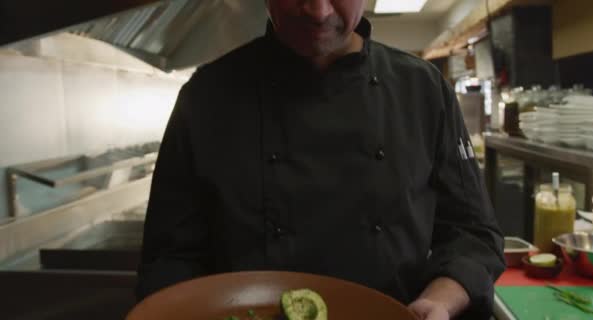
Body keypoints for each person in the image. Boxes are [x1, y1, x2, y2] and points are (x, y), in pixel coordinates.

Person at [135, 0, 506, 319]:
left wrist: (436, 301)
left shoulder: (424, 90)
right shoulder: (205, 98)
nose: (317, 11)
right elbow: (169, 257)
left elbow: (472, 235)